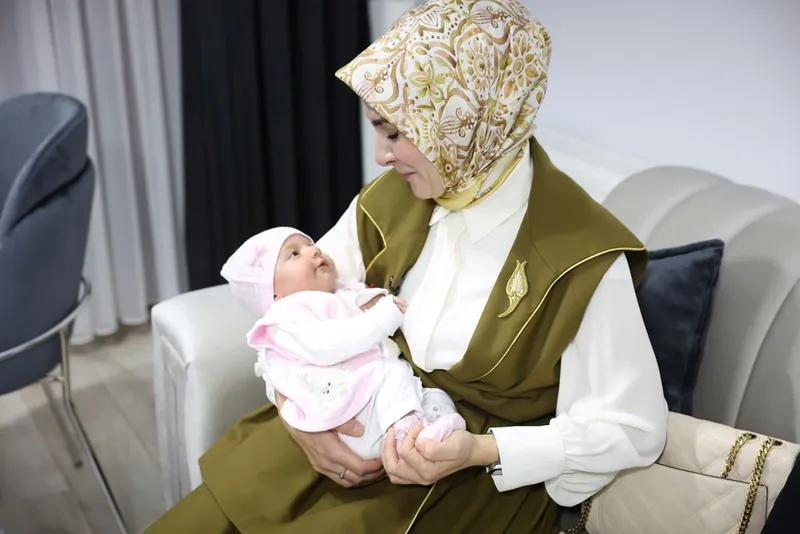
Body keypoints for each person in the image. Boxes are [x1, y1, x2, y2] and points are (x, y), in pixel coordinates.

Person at [145, 0, 668, 532]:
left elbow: (634, 428)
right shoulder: (394, 198)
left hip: (462, 483)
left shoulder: (582, 257)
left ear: (464, 119)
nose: (381, 155)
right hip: (335, 429)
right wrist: (296, 414)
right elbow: (288, 312)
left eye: (395, 133)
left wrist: (481, 450)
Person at [219, 227, 466, 460]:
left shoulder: (339, 294)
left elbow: (357, 302)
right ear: (274, 295)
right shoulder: (285, 318)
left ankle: (435, 431)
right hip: (348, 413)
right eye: (294, 254)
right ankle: (405, 437)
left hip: (373, 399)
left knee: (433, 395)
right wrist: (378, 320)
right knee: (393, 375)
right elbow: (326, 345)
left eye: (310, 244)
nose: (314, 250)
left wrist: (375, 300)